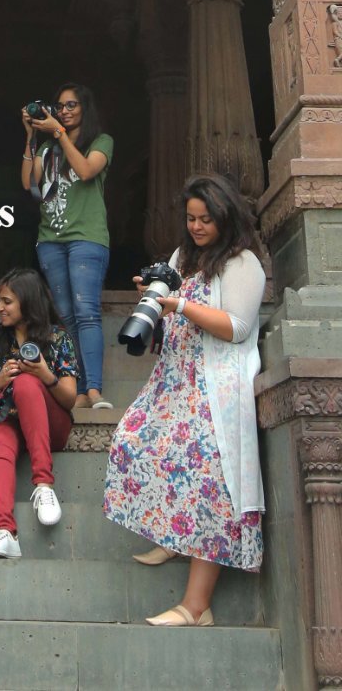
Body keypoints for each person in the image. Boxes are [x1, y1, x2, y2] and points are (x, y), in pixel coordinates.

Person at [103, 173, 266, 627]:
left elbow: (237, 327)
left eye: (205, 220)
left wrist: (179, 306)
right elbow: (170, 308)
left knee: (208, 480)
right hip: (173, 378)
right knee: (132, 439)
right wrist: (153, 299)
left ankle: (196, 607)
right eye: (191, 218)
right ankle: (175, 532)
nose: (196, 227)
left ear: (225, 218)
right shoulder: (182, 256)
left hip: (216, 385)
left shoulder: (243, 263)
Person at [21, 82, 114, 410]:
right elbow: (29, 183)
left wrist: (59, 133)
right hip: (51, 241)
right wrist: (32, 137)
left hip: (86, 238)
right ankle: (76, 390)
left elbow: (87, 170)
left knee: (86, 312)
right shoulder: (47, 149)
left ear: (85, 109)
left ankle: (94, 391)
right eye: (60, 106)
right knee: (66, 317)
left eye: (72, 105)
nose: (64, 111)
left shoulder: (100, 142)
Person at [0, 268, 77, 558]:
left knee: (27, 382)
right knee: (0, 440)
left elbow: (69, 400)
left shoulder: (57, 339)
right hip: (5, 421)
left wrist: (45, 374)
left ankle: (44, 484)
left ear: (27, 301)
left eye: (7, 301)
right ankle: (5, 532)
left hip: (49, 425)